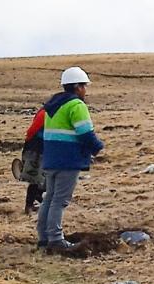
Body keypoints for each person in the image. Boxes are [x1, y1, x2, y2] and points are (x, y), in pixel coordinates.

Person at [37, 67, 104, 252]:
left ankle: (43, 238)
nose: (85, 90)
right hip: (68, 159)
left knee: (49, 198)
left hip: (51, 158)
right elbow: (85, 132)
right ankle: (56, 240)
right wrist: (98, 147)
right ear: (77, 87)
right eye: (84, 86)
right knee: (59, 200)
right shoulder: (76, 105)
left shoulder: (52, 105)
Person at [20, 107, 46, 214]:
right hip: (37, 147)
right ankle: (30, 205)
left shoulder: (46, 111)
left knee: (42, 178)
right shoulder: (45, 113)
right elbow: (32, 130)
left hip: (43, 146)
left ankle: (37, 200)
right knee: (35, 178)